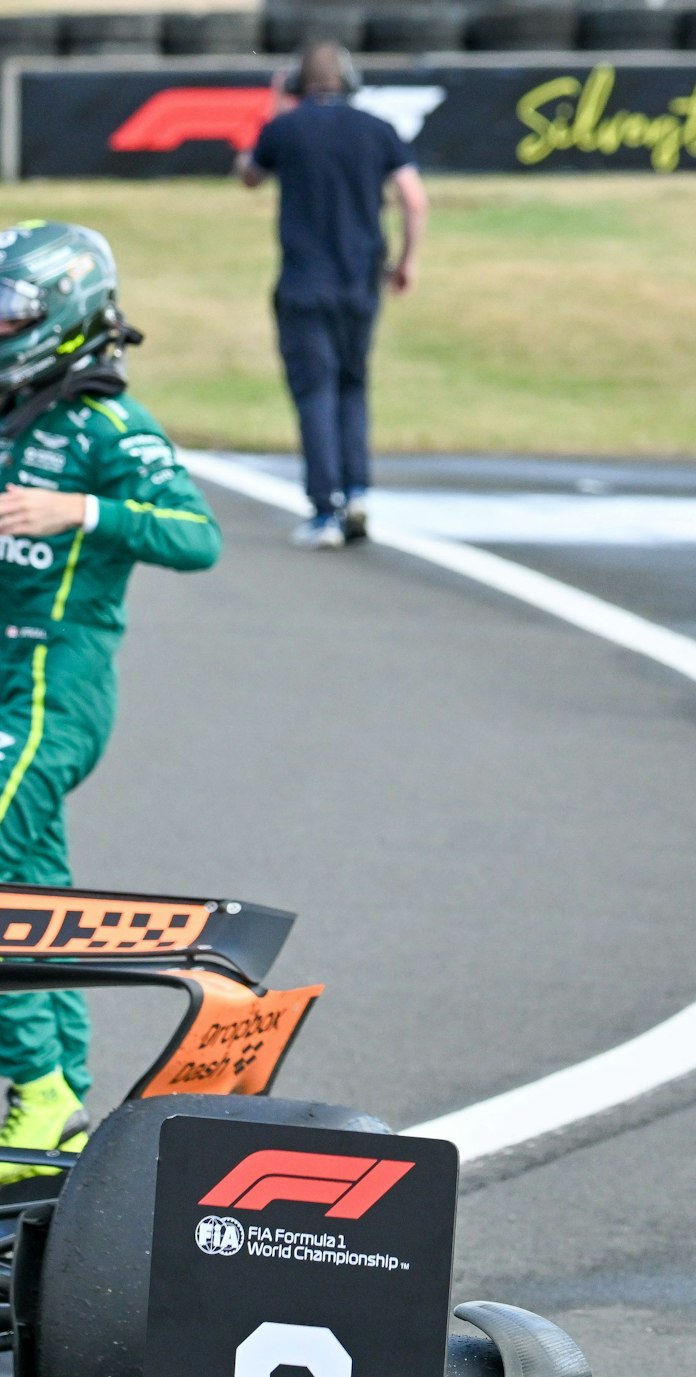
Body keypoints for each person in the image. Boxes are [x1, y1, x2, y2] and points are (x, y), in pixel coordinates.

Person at [0, 221, 221, 1178]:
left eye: (15, 310)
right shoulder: (12, 412)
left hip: (56, 682)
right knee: (35, 887)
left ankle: (35, 1083)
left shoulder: (107, 431)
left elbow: (196, 535)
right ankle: (61, 1105)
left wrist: (83, 510)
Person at [235, 41, 427, 550]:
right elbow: (413, 199)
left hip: (302, 283)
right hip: (360, 281)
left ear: (297, 85)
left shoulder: (285, 130)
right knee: (352, 384)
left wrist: (277, 112)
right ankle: (358, 490)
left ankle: (325, 510)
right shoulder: (377, 130)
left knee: (313, 391)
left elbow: (248, 175)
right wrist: (406, 261)